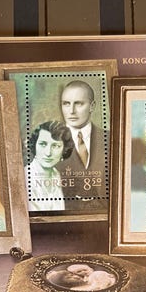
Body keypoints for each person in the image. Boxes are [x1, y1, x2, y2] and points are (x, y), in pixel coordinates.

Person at [56, 80, 108, 210]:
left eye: (78, 103)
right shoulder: (46, 144)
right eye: (66, 104)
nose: (71, 111)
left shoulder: (112, 139)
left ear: (92, 106)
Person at [25, 120, 74, 211]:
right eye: (43, 144)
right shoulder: (25, 177)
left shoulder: (56, 174)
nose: (48, 153)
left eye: (55, 146)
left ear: (64, 149)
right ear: (34, 145)